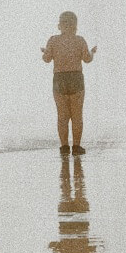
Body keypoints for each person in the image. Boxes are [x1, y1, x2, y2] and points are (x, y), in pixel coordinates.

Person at [42, 11, 96, 155]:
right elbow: (87, 59)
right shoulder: (79, 40)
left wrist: (44, 52)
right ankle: (77, 147)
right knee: (77, 115)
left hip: (60, 79)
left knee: (62, 115)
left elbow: (47, 59)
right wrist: (92, 52)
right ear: (75, 26)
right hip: (76, 78)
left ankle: (64, 147)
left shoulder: (53, 40)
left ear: (59, 25)